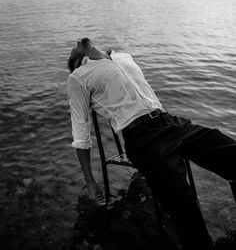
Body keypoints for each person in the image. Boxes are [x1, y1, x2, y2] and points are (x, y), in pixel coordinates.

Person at [67, 37, 236, 250]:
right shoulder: (78, 77)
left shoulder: (122, 56)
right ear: (77, 62)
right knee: (185, 207)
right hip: (143, 137)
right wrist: (90, 181)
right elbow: (81, 134)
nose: (74, 46)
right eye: (72, 54)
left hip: (171, 122)